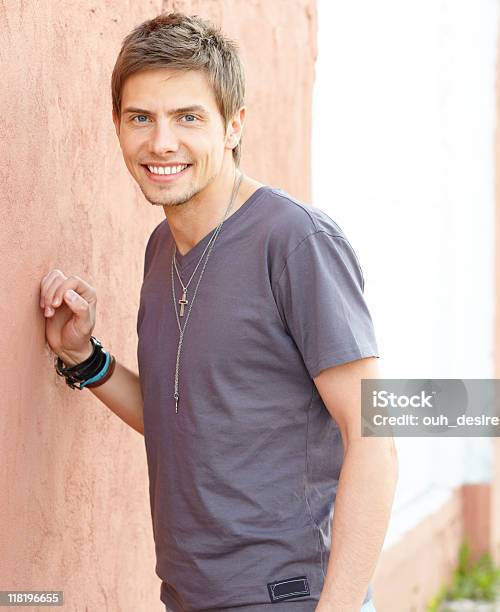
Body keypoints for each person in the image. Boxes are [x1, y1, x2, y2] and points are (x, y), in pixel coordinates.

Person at [39, 12, 398, 612]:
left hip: (288, 597)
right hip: (186, 595)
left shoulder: (295, 242)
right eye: (141, 118)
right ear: (118, 127)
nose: (161, 143)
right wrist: (85, 358)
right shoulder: (161, 249)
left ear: (233, 126)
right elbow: (192, 421)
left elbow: (373, 441)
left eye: (188, 117)